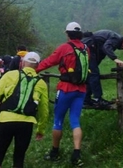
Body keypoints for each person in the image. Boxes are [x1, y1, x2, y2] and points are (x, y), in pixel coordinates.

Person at [36, 22, 88, 166]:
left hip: (65, 88)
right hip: (81, 89)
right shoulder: (85, 48)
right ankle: (76, 154)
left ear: (67, 34)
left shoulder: (64, 48)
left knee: (58, 120)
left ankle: (55, 153)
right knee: (75, 120)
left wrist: (32, 71)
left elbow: (48, 62)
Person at [0, 52, 49, 168]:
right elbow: (44, 110)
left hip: (5, 120)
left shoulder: (10, 75)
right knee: (19, 159)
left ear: (22, 63)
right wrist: (41, 129)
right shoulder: (41, 83)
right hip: (26, 124)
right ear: (37, 65)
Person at [82, 30, 123, 108]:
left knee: (90, 74)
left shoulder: (115, 38)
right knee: (94, 74)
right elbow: (106, 47)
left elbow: (102, 49)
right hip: (90, 49)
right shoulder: (117, 38)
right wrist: (115, 59)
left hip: (88, 49)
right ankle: (98, 99)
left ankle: (86, 99)